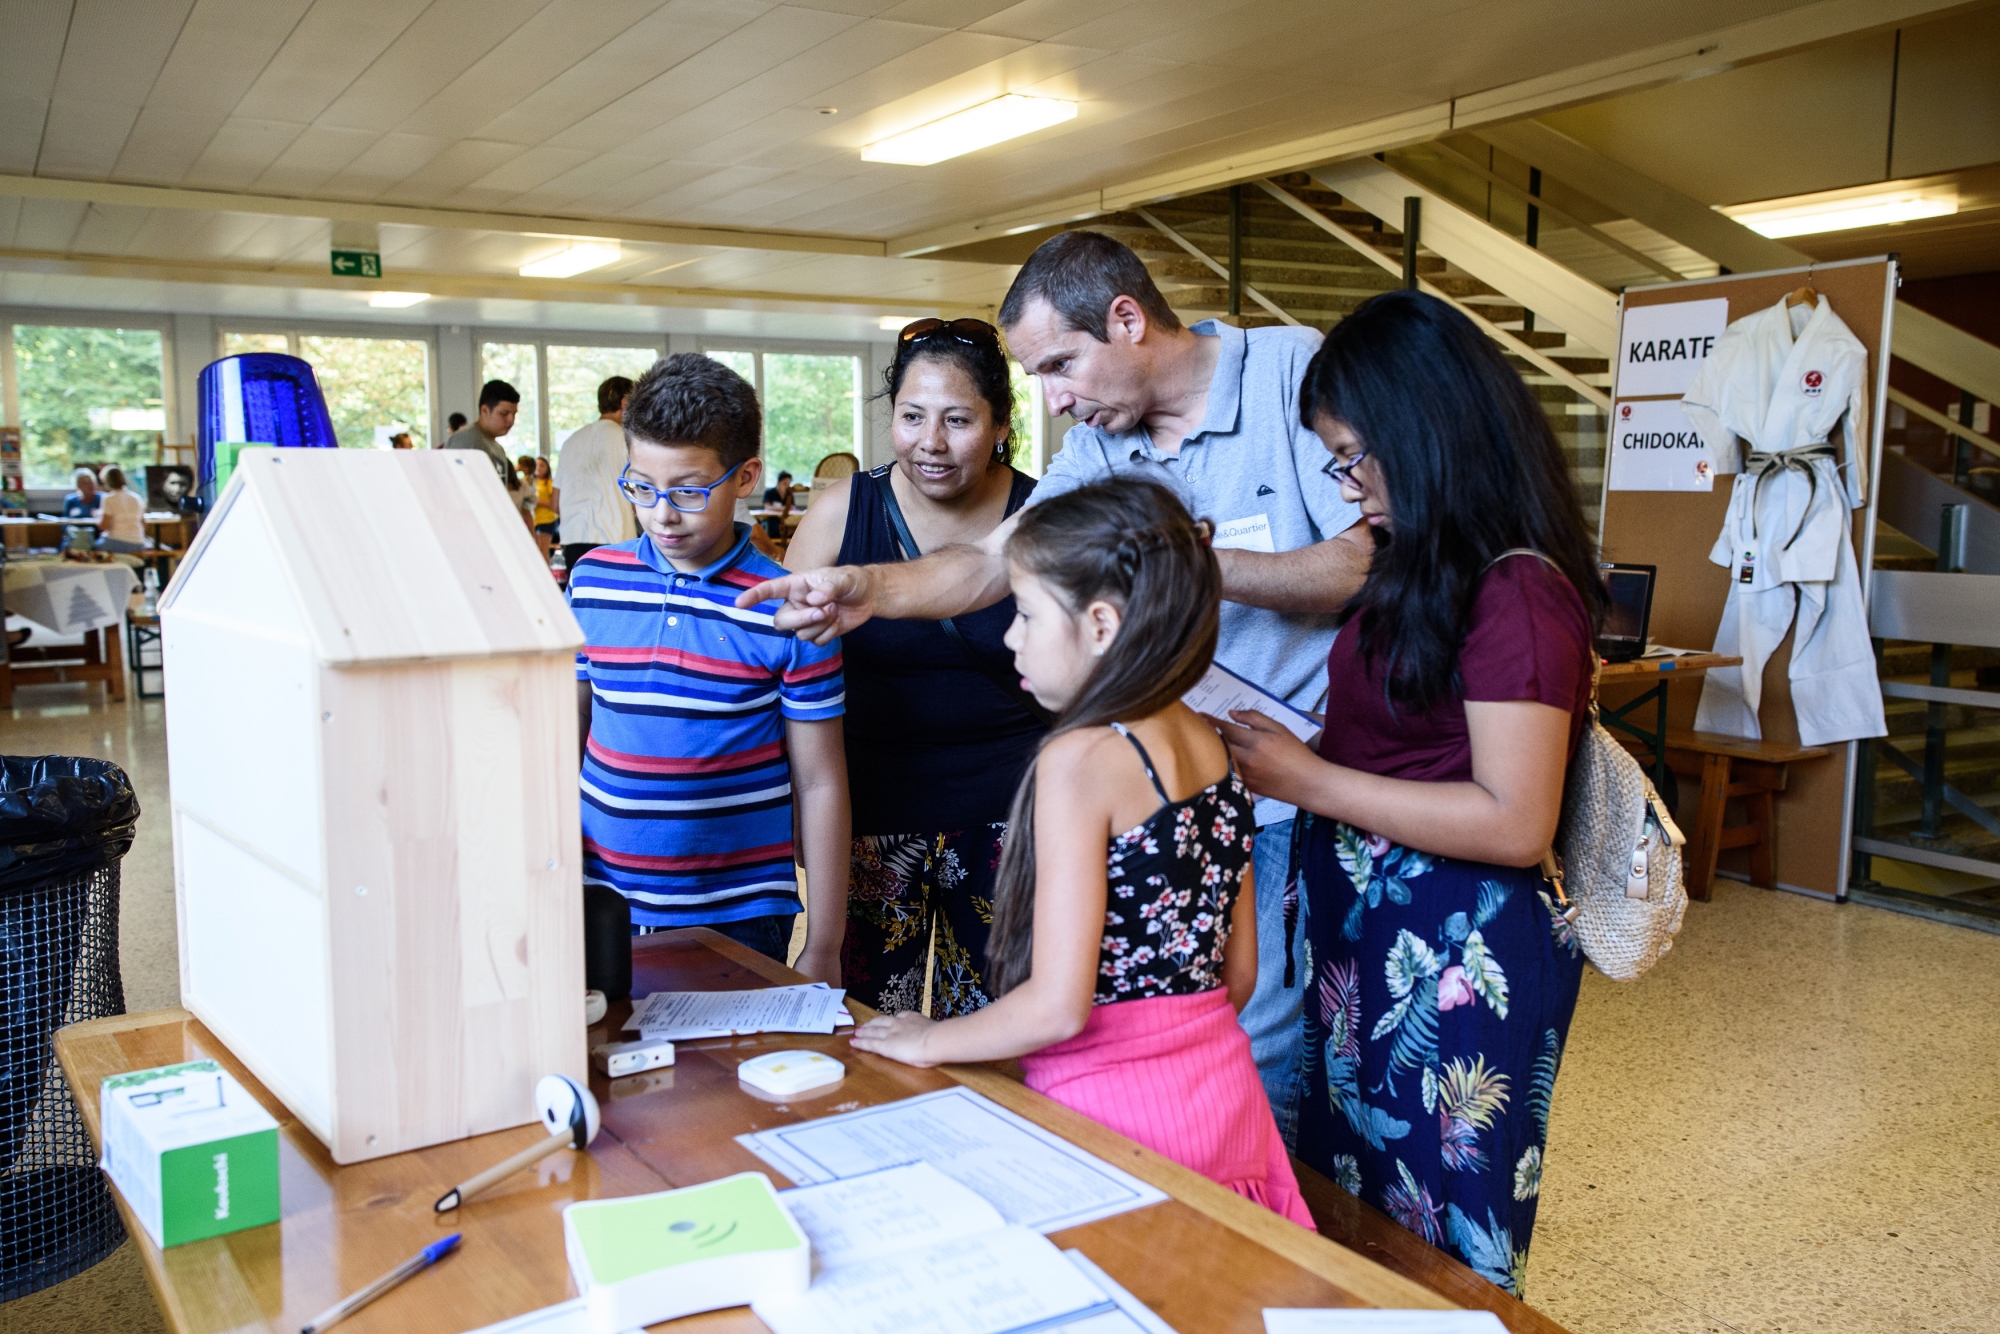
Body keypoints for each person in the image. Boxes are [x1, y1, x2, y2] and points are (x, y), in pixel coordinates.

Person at [740, 230, 1371, 1144]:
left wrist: (1180, 561)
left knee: (1295, 1039)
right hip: (1203, 776)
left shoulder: (1290, 373)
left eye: (1062, 365)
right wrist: (868, 587)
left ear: (1126, 319)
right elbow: (995, 563)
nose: (1056, 398)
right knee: (1232, 1019)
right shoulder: (1095, 447)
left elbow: (1367, 555)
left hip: (1309, 765)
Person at [1215, 291, 1604, 1293]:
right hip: (1374, 948)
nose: (1346, 487)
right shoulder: (1419, 564)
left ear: (1423, 431)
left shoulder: (1517, 590)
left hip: (1456, 957)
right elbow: (1410, 739)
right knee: (1358, 1210)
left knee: (1441, 1239)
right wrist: (1292, 746)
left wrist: (1306, 777)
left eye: (1352, 456)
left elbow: (1513, 820)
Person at [852, 478, 1312, 1228]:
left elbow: (1058, 1008)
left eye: (1026, 614)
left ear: (1100, 623)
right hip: (1225, 1103)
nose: (1010, 638)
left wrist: (930, 1036)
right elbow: (1239, 974)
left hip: (1109, 1116)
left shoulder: (1081, 760)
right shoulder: (1211, 741)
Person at [784, 317, 1043, 1017]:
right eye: (912, 417)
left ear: (999, 424)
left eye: (957, 419)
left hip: (1012, 818)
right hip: (868, 818)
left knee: (996, 1027)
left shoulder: (1042, 514)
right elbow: (785, 674)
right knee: (868, 1019)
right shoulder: (843, 511)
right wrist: (795, 809)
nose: (930, 443)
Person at [566, 354, 848, 979]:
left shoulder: (791, 607)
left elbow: (822, 783)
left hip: (738, 911)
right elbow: (569, 734)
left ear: (746, 476)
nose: (663, 513)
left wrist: (824, 945)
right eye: (641, 486)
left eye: (689, 491)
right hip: (604, 900)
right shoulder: (593, 582)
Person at [554, 375, 638, 572]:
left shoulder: (571, 441)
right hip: (616, 539)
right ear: (625, 403)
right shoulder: (627, 440)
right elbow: (639, 495)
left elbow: (555, 503)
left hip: (574, 542)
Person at [443, 381, 531, 524]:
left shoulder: (497, 448)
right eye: (504, 413)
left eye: (514, 414)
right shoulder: (467, 440)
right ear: (484, 410)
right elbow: (454, 492)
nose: (511, 420)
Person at [94, 466, 145, 553]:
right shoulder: (136, 498)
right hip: (138, 543)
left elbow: (104, 526)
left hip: (116, 542)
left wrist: (96, 517)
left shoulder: (108, 498)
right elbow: (144, 524)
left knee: (92, 546)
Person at [61, 467, 99, 544]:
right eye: (85, 483)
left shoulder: (102, 499)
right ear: (78, 485)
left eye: (92, 482)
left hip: (94, 538)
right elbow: (64, 522)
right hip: (74, 537)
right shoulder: (70, 500)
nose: (90, 485)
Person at [531, 456, 558, 558]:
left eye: (542, 465)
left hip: (546, 520)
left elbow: (554, 503)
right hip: (533, 520)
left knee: (542, 551)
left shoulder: (550, 483)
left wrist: (538, 501)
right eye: (536, 465)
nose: (538, 467)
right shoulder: (529, 482)